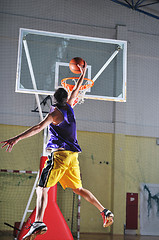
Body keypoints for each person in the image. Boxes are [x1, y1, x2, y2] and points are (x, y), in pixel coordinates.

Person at [1, 61, 114, 240]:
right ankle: (104, 210)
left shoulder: (54, 114)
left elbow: (37, 128)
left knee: (41, 188)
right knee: (79, 189)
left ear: (54, 99)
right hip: (73, 157)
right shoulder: (70, 106)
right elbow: (77, 87)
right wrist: (82, 73)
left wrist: (16, 138)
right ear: (66, 97)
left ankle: (38, 221)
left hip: (60, 155)